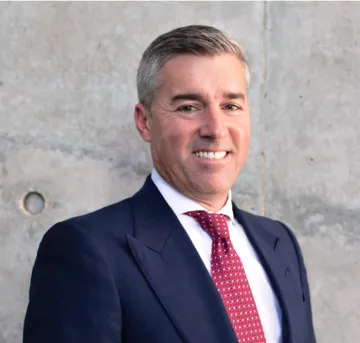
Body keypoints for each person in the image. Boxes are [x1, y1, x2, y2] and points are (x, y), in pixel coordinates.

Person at [23, 25, 316, 343]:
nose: (215, 129)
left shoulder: (279, 242)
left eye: (230, 106)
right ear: (144, 121)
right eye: (189, 107)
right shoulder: (86, 250)